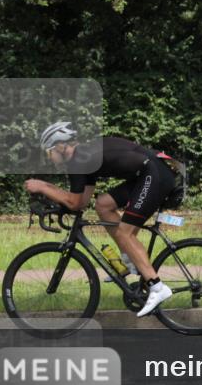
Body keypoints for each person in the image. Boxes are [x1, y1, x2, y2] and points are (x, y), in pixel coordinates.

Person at [24, 122, 175, 317]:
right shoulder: (82, 159)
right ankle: (130, 260)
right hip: (148, 172)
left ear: (61, 147)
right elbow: (81, 203)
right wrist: (50, 191)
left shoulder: (78, 161)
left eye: (48, 152)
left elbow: (74, 201)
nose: (49, 158)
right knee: (103, 205)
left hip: (154, 174)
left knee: (125, 233)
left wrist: (43, 187)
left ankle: (157, 287)